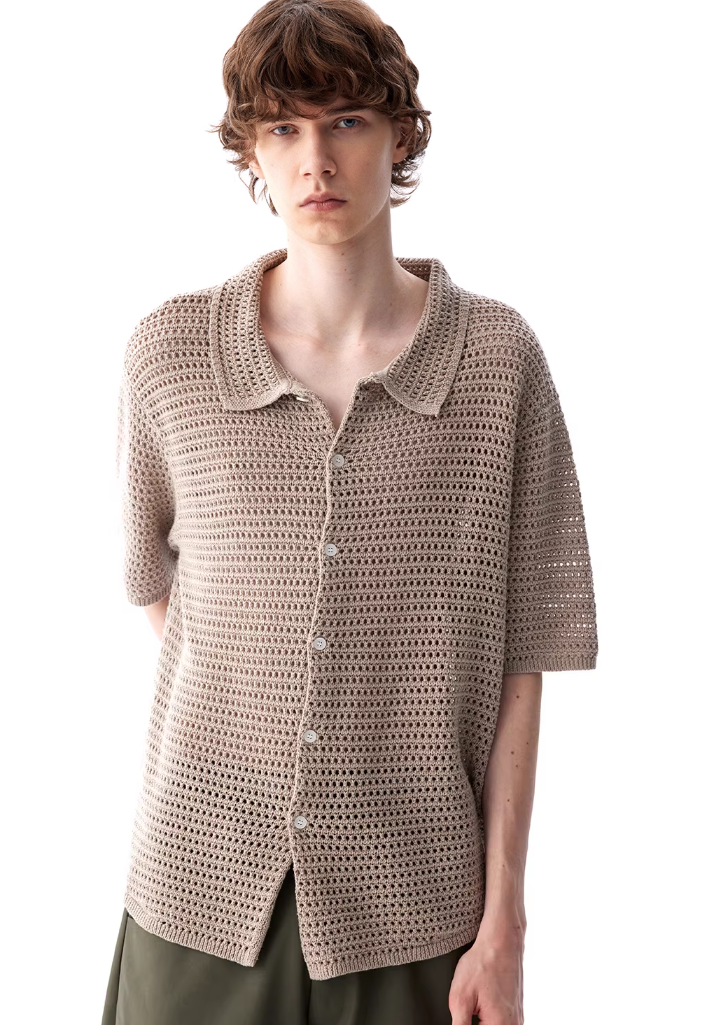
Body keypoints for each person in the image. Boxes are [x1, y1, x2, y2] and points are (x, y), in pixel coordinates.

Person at [101, 1, 599, 1023]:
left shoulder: (496, 363)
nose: (314, 160)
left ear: (400, 134)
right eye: (282, 128)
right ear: (250, 149)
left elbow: (526, 654)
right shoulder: (171, 355)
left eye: (345, 121)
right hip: (198, 892)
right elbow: (158, 588)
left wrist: (504, 921)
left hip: (418, 904)